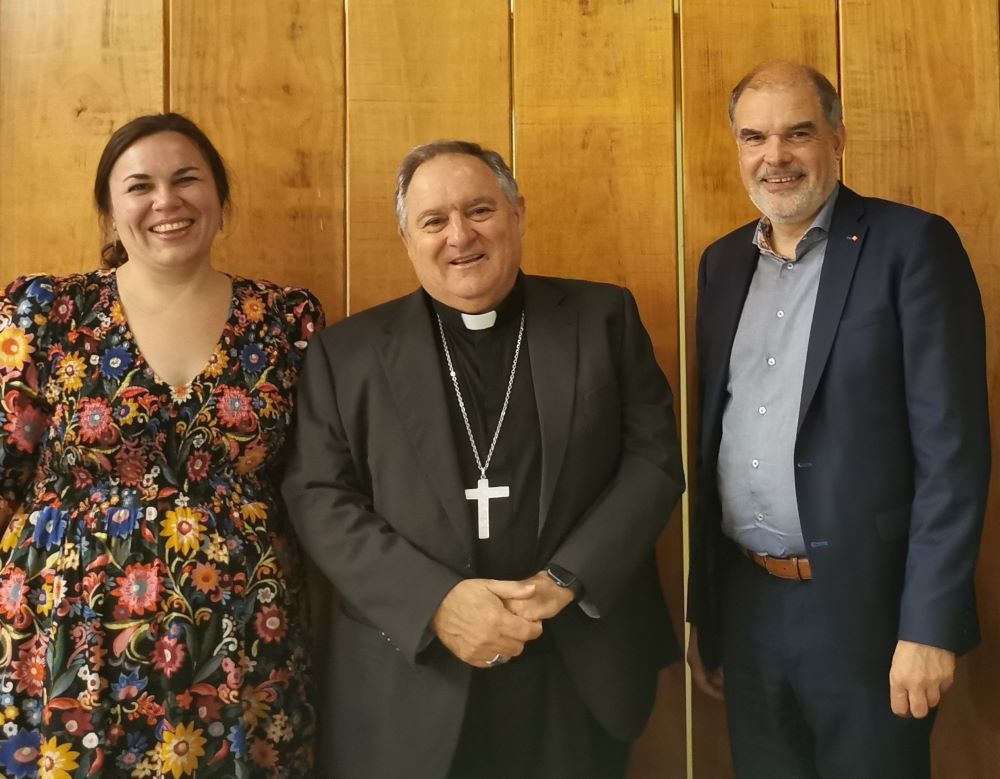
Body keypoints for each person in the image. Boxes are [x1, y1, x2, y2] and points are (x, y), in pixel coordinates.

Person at [282, 140, 685, 779]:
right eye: (434, 221)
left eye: (480, 210)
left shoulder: (601, 317)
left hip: (574, 666)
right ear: (407, 237)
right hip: (415, 676)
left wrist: (568, 578)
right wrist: (434, 602)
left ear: (517, 214)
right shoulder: (347, 355)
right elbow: (318, 495)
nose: (460, 236)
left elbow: (654, 459)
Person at [686, 61, 990, 778]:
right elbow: (711, 439)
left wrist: (928, 627)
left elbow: (954, 453)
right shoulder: (722, 263)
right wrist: (710, 614)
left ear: (837, 138)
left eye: (798, 134)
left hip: (869, 613)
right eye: (754, 137)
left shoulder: (910, 247)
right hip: (749, 604)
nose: (775, 157)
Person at [0, 113, 323, 777]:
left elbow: (319, 485)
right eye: (139, 185)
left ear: (221, 200)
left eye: (186, 180)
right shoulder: (43, 314)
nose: (166, 201)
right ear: (110, 212)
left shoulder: (287, 320)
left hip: (243, 641)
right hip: (63, 642)